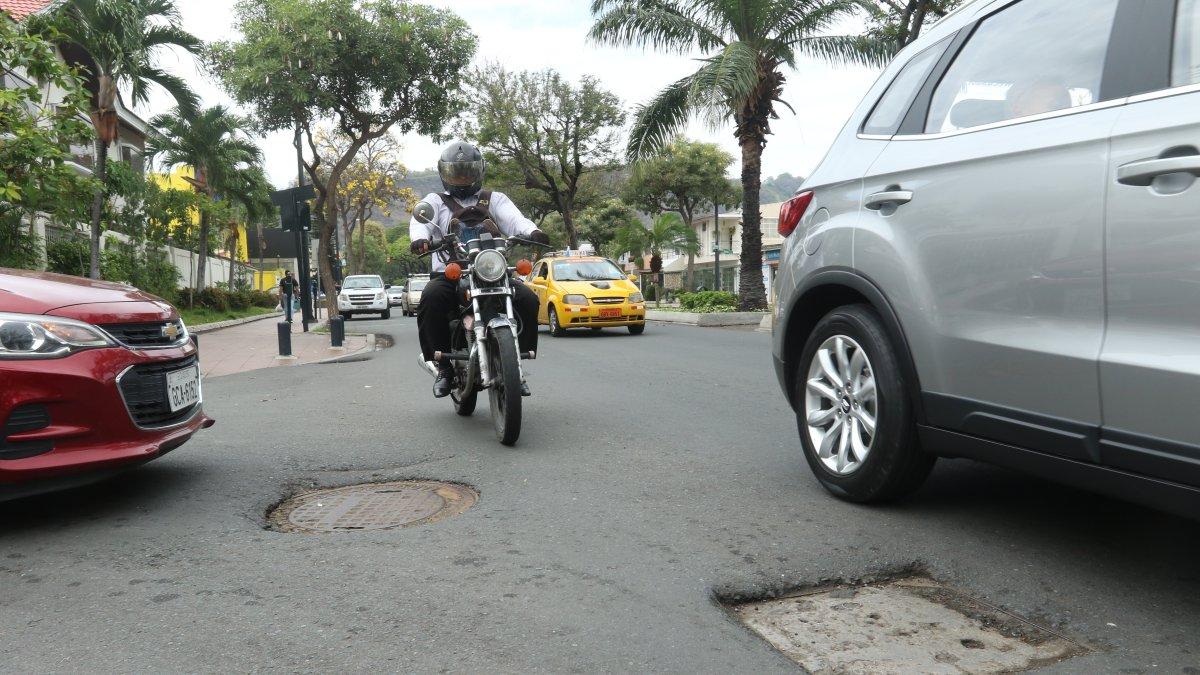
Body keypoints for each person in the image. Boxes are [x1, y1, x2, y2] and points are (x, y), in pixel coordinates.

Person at [409, 141, 550, 398]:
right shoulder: (435, 201)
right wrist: (420, 240)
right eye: (456, 172)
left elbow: (515, 219)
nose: (462, 178)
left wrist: (533, 231)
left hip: (492, 271)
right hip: (451, 273)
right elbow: (420, 224)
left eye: (467, 171)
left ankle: (517, 362)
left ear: (479, 171)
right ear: (444, 174)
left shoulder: (494, 199)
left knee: (528, 299)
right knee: (430, 298)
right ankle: (443, 367)